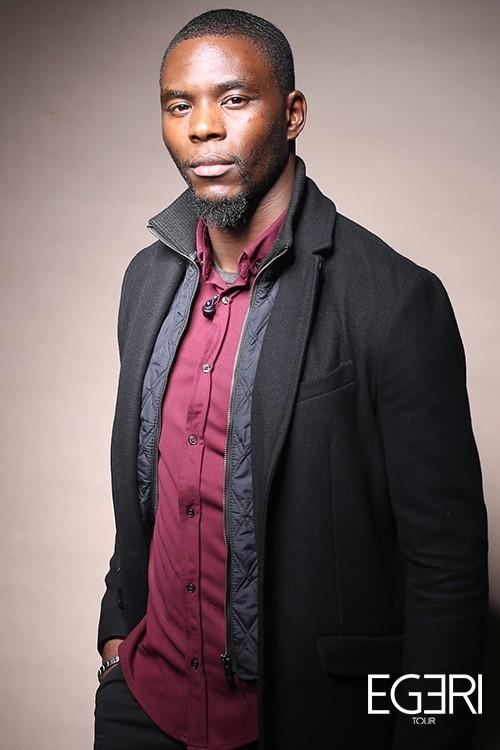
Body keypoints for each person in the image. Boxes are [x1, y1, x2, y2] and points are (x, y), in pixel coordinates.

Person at [94, 9, 488, 750]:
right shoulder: (145, 283)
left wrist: (431, 735)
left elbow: (447, 568)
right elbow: (150, 489)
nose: (203, 127)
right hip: (145, 707)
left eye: (234, 99)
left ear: (293, 113)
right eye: (179, 105)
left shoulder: (395, 300)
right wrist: (118, 636)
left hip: (303, 719)